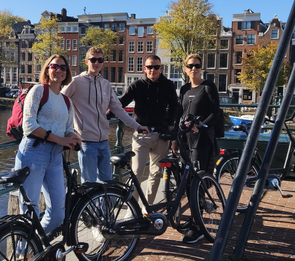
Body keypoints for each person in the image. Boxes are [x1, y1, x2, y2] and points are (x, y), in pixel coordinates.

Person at [14, 54, 81, 236]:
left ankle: (37, 246)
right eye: (54, 66)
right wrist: (60, 139)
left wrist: (73, 137)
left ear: (67, 72)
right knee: (29, 210)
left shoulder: (67, 101)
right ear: (47, 69)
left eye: (63, 67)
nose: (58, 70)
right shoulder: (38, 91)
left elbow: (67, 128)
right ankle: (24, 253)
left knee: (59, 213)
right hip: (33, 152)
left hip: (55, 156)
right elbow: (29, 125)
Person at [62, 46, 148, 183]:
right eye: (93, 60)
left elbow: (118, 109)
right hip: (86, 142)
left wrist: (137, 126)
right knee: (89, 184)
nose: (96, 63)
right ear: (86, 61)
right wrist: (66, 129)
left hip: (104, 142)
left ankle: (106, 206)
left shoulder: (106, 85)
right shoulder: (76, 82)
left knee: (107, 183)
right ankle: (89, 205)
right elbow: (60, 102)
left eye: (100, 60)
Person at [172, 54, 221, 244]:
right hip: (185, 139)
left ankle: (198, 227)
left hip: (201, 139)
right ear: (185, 69)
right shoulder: (184, 89)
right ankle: (194, 219)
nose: (194, 69)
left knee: (196, 181)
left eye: (197, 66)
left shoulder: (208, 87)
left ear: (201, 68)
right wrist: (176, 138)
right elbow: (180, 113)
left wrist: (200, 126)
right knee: (186, 179)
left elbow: (215, 112)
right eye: (190, 66)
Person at [119, 55, 178, 205]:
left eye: (156, 67)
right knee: (137, 173)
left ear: (161, 69)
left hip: (161, 134)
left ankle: (148, 208)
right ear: (144, 69)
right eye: (150, 67)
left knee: (156, 173)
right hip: (141, 135)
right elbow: (120, 103)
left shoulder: (169, 85)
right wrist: (103, 116)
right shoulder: (136, 85)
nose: (153, 70)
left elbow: (174, 106)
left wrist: (170, 124)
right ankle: (133, 211)